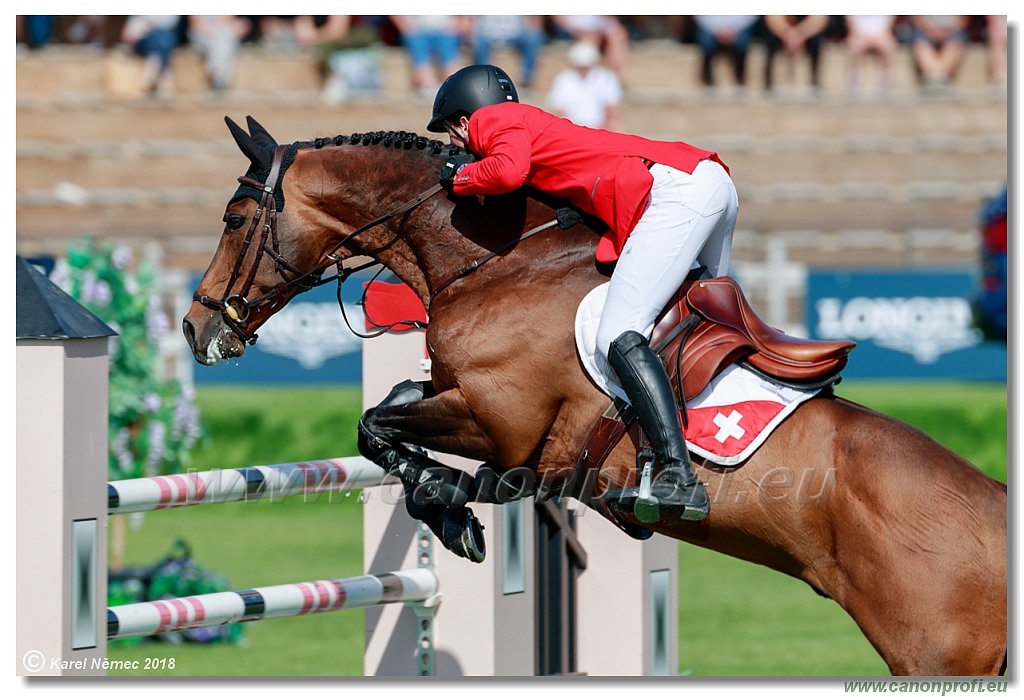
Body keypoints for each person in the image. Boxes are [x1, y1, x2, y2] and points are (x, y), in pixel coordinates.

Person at [426, 65, 740, 523]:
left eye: (453, 134)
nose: (455, 145)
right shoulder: (532, 125)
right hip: (705, 180)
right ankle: (659, 455)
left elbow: (507, 171)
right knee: (686, 324)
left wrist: (460, 178)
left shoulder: (494, 122)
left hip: (678, 193)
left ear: (464, 120)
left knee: (617, 334)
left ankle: (679, 475)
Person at [546, 41, 622, 130]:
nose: (583, 70)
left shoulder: (606, 78)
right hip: (572, 129)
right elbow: (559, 109)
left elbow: (612, 108)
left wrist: (605, 130)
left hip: (600, 128)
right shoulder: (564, 79)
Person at [390, 15, 465, 98]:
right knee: (417, 43)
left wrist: (456, 27)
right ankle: (427, 83)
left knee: (448, 47)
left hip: (446, 32)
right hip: (418, 31)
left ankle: (451, 84)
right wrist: (408, 29)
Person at [467, 16, 545, 89]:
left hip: (516, 34)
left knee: (534, 38)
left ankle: (527, 79)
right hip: (488, 34)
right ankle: (485, 78)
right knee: (479, 40)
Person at [762, 15, 830, 94]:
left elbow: (820, 19)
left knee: (815, 42)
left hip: (806, 30)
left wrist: (800, 34)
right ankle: (768, 83)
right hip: (782, 30)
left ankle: (815, 83)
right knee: (770, 40)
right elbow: (772, 18)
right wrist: (788, 34)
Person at [691, 15, 760, 91]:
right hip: (710, 28)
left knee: (742, 42)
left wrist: (733, 28)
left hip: (738, 29)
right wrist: (718, 29)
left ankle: (740, 79)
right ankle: (706, 78)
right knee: (707, 43)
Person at [187, 16, 251, 94]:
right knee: (222, 43)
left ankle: (215, 74)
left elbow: (228, 20)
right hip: (201, 38)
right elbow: (196, 26)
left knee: (222, 42)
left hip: (220, 37)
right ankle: (220, 80)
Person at [121, 15, 182, 97]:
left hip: (164, 37)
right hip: (143, 40)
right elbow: (127, 33)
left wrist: (147, 25)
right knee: (160, 42)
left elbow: (170, 23)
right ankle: (164, 79)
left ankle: (152, 70)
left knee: (161, 37)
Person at [908, 15, 970, 90]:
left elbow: (963, 20)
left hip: (952, 32)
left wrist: (946, 31)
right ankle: (939, 78)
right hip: (925, 31)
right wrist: (931, 30)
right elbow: (917, 18)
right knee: (919, 42)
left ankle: (936, 79)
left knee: (956, 41)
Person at [843, 15, 899, 96]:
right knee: (854, 45)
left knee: (888, 45)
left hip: (881, 36)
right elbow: (851, 26)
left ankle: (885, 80)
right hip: (859, 36)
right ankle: (854, 80)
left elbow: (889, 27)